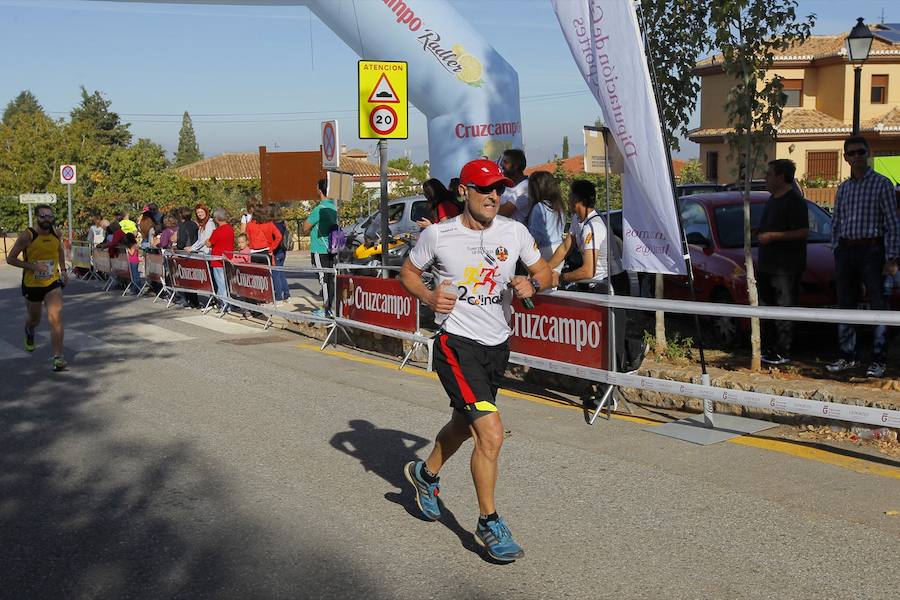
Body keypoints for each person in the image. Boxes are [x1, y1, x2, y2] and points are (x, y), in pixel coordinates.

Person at [398, 159, 551, 562]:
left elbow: (545, 272)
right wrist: (430, 298)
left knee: (465, 425)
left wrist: (531, 282)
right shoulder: (439, 236)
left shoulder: (514, 231)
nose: (493, 197)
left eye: (498, 189)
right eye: (484, 189)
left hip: (497, 344)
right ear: (464, 190)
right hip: (455, 344)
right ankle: (489, 522)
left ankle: (424, 474)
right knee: (491, 433)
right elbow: (408, 273)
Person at [826, 136, 900, 378]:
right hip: (846, 251)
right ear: (846, 157)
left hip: (872, 250)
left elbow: (892, 223)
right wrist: (836, 247)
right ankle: (847, 355)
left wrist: (891, 258)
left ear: (867, 154)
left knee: (878, 305)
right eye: (852, 153)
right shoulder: (843, 188)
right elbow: (836, 222)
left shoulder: (882, 184)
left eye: (860, 152)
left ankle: (878, 359)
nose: (856, 157)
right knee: (845, 304)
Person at [756, 159, 808, 366]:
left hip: (785, 268)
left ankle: (782, 350)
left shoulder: (794, 201)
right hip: (767, 266)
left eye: (769, 174)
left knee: (784, 309)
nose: (766, 178)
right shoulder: (771, 200)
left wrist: (773, 237)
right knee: (766, 309)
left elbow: (802, 231)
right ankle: (769, 349)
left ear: (780, 177)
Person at [5, 204, 68, 371]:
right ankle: (29, 331)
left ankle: (58, 357)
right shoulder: (27, 236)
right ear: (37, 218)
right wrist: (33, 267)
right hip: (32, 284)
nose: (46, 219)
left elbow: (59, 251)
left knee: (55, 317)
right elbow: (10, 259)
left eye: (49, 216)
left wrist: (64, 271)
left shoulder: (57, 233)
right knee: (35, 319)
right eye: (43, 216)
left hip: (52, 282)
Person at [548, 179, 626, 295]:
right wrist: (545, 270)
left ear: (576, 199)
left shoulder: (593, 226)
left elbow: (588, 271)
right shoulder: (577, 218)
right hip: (597, 282)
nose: (567, 199)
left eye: (569, 195)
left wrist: (561, 277)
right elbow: (565, 247)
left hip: (610, 282)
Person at [303, 179, 338, 318]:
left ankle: (326, 309)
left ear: (319, 190)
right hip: (332, 248)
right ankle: (330, 307)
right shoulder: (334, 208)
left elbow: (305, 227)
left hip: (319, 249)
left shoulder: (319, 209)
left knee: (323, 279)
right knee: (330, 278)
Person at [525, 170, 565, 269]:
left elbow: (535, 235)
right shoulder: (558, 206)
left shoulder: (539, 207)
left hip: (544, 251)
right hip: (559, 248)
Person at [206, 208, 235, 311]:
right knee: (226, 283)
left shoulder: (217, 231)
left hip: (217, 260)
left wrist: (206, 241)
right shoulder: (231, 229)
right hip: (228, 259)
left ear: (217, 219)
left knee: (221, 284)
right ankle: (228, 303)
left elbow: (209, 243)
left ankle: (225, 305)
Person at [175, 206, 200, 308]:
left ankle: (189, 300)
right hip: (194, 252)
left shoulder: (182, 225)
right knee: (192, 278)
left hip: (185, 253)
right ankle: (195, 301)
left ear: (181, 215)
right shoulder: (194, 224)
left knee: (185, 278)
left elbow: (182, 241)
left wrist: (177, 247)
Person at [497, 149, 529, 223]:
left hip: (514, 232)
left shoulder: (525, 187)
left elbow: (504, 212)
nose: (501, 165)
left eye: (505, 162)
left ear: (516, 166)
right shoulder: (507, 185)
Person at [271, 205, 292, 303]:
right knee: (281, 273)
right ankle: (287, 294)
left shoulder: (274, 225)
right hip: (283, 250)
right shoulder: (283, 224)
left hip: (276, 251)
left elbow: (275, 238)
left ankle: (278, 296)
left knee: (276, 274)